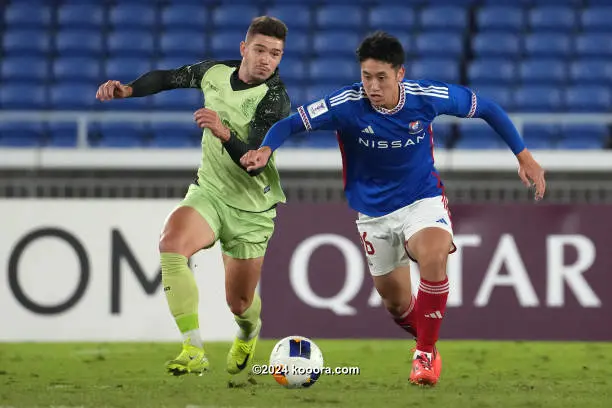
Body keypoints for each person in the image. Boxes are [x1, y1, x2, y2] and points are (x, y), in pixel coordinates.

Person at [240, 31, 546, 386]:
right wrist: (266, 149)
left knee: (433, 255)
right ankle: (427, 340)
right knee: (397, 305)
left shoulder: (426, 97)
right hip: (373, 214)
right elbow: (291, 123)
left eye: (381, 77)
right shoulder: (346, 104)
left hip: (422, 199)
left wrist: (524, 156)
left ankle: (425, 354)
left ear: (400, 74)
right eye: (366, 76)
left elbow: (488, 108)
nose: (372, 85)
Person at [95, 16, 292, 380]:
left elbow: (251, 159)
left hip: (252, 209)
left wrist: (222, 131)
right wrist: (128, 90)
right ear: (244, 48)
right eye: (261, 50)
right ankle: (192, 348)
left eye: (276, 54)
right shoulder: (213, 72)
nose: (267, 60)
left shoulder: (275, 99)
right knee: (171, 244)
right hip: (209, 192)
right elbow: (167, 77)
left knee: (240, 303)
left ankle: (248, 332)